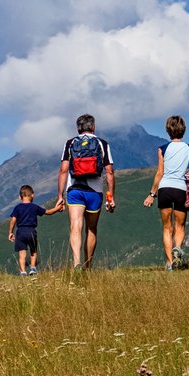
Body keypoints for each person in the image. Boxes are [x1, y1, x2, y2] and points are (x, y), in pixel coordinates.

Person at [56, 113, 115, 269]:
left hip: (74, 190)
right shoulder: (102, 143)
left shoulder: (70, 143)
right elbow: (109, 172)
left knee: (75, 226)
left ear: (78, 128)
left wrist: (60, 196)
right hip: (94, 192)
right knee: (91, 228)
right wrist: (110, 197)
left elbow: (63, 170)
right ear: (93, 127)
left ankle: (76, 263)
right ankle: (87, 266)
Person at [143, 115, 189, 270]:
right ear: (184, 130)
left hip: (165, 189)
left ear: (168, 130)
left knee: (167, 227)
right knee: (180, 225)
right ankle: (177, 249)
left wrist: (152, 194)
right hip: (181, 189)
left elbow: (160, 173)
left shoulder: (162, 149)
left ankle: (169, 264)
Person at [8, 184, 63, 276]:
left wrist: (10, 232)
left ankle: (23, 272)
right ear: (32, 195)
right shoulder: (34, 207)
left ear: (19, 197)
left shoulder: (17, 208)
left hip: (20, 232)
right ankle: (33, 268)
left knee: (22, 253)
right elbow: (48, 212)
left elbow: (13, 220)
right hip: (31, 231)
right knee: (33, 250)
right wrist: (58, 208)